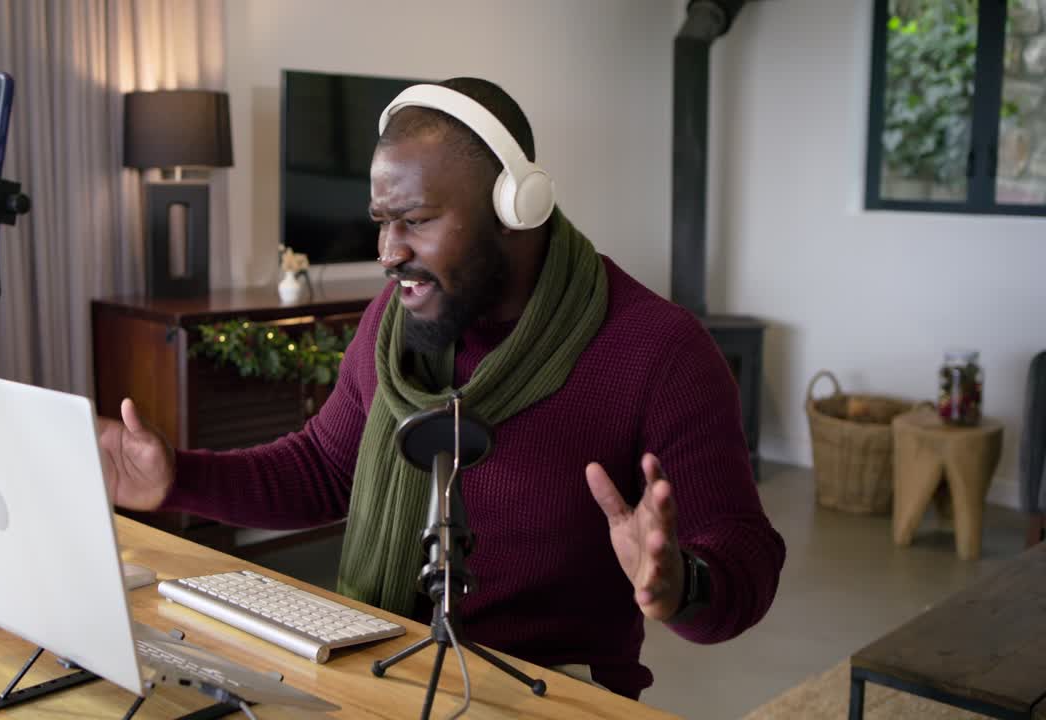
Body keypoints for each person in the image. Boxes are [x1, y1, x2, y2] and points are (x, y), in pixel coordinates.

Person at [98, 77, 785, 699]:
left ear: (517, 208)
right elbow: (323, 469)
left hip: (542, 698)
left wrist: (683, 585)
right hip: (379, 672)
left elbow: (745, 557)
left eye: (417, 221)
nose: (388, 253)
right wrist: (176, 480)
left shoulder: (660, 351)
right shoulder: (394, 322)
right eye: (381, 221)